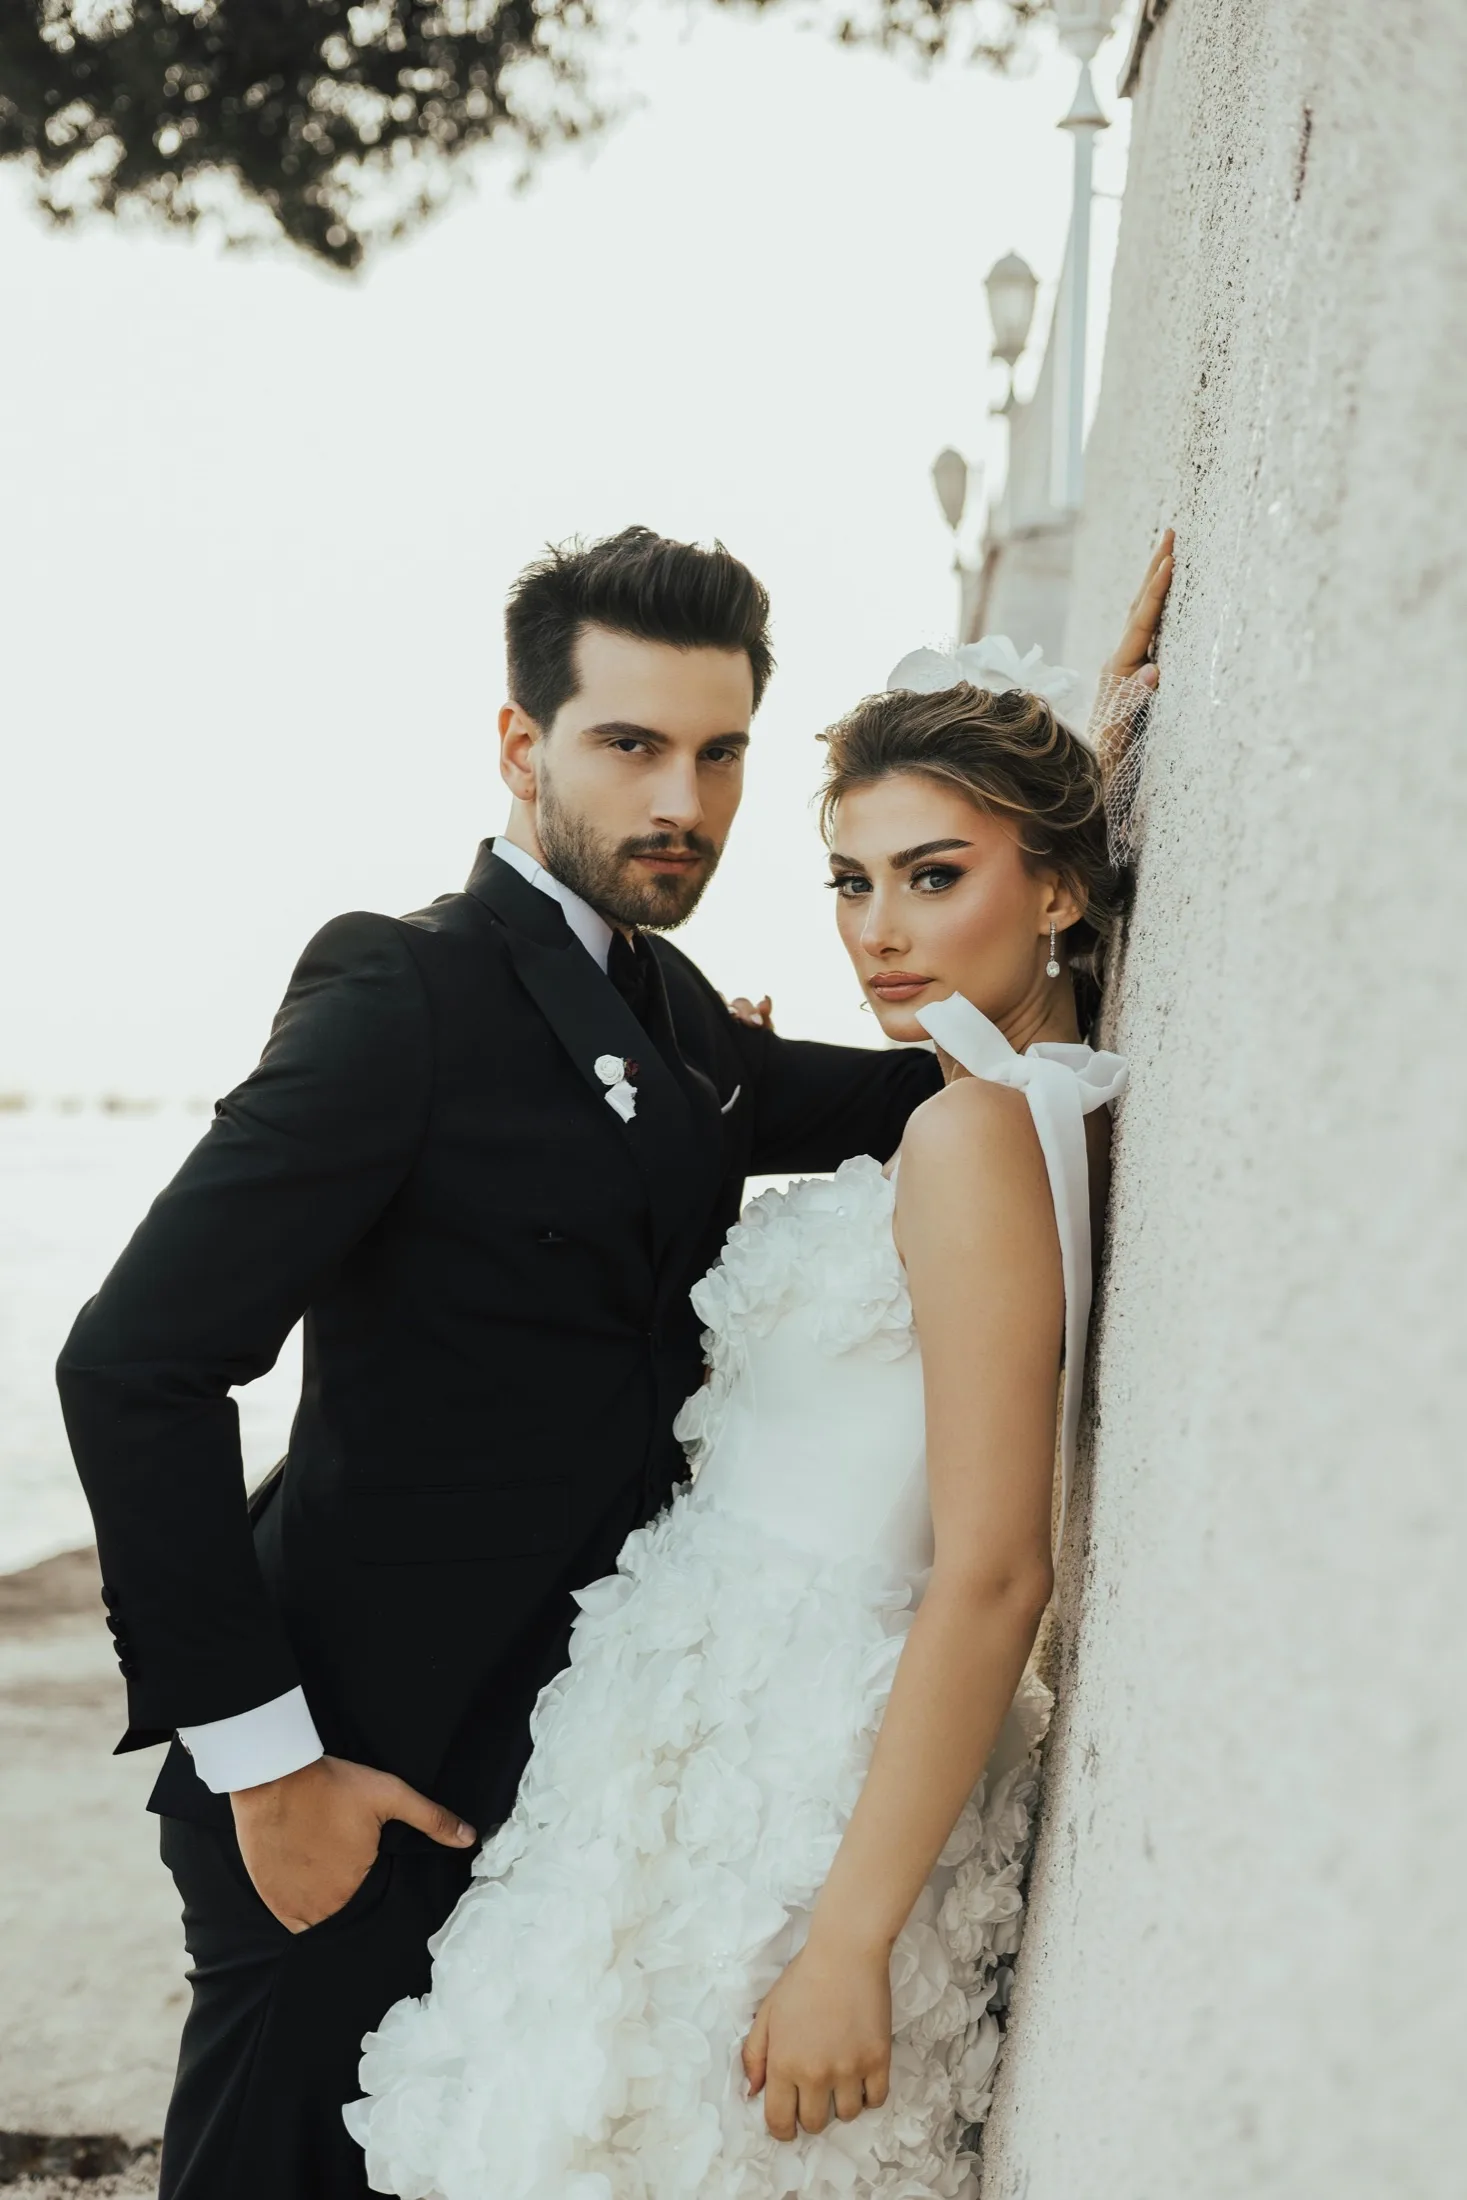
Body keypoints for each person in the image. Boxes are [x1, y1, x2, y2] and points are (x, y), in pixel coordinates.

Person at [55, 527, 953, 2200]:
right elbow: (134, 1367)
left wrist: (1060, 795)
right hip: (347, 1778)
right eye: (629, 744)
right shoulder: (403, 987)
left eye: (718, 752)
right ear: (519, 746)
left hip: (557, 1784)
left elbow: (936, 1087)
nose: (679, 797)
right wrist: (268, 1768)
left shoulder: (675, 1011)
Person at [342, 545, 1174, 2200]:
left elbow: (998, 1572)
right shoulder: (1017, 1105)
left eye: (934, 877)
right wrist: (1083, 738)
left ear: (1060, 887)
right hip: (699, 1738)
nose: (881, 932)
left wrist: (849, 1943)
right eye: (853, 883)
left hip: (792, 1783)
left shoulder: (968, 1141)